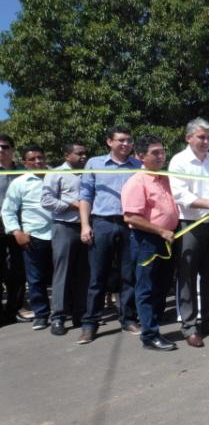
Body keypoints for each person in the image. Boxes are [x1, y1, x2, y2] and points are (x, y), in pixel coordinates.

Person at [77, 126, 142, 344]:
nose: (126, 144)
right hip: (102, 223)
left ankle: (128, 319)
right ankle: (90, 324)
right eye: (121, 140)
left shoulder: (138, 166)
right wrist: (85, 225)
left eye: (129, 140)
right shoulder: (94, 164)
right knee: (97, 277)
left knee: (128, 276)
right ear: (109, 142)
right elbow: (85, 196)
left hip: (129, 225)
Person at [169, 117, 209, 348]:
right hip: (189, 225)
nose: (206, 142)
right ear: (188, 137)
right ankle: (190, 326)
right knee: (188, 277)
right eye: (201, 137)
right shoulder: (179, 161)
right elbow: (181, 196)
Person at [122, 134, 180, 351]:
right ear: (139, 156)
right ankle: (149, 335)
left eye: (162, 151)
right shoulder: (137, 181)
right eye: (155, 153)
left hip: (167, 238)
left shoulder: (164, 178)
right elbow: (131, 217)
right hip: (147, 240)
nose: (161, 156)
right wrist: (161, 230)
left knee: (162, 286)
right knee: (146, 288)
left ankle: (153, 324)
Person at [1, 145, 53, 331]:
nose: (38, 161)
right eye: (33, 159)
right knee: (35, 278)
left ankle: (65, 311)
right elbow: (8, 211)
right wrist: (17, 232)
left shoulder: (56, 176)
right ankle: (41, 314)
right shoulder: (20, 183)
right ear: (25, 163)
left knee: (62, 275)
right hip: (34, 236)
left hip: (59, 235)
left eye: (40, 157)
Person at [41, 143, 89, 335]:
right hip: (65, 227)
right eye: (79, 154)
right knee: (63, 272)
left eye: (85, 153)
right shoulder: (56, 173)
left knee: (84, 272)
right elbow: (46, 201)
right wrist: (72, 205)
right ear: (67, 155)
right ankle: (58, 317)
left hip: (86, 227)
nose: (83, 156)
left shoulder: (89, 172)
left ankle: (80, 314)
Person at [0, 134, 27, 325]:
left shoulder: (23, 171)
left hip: (19, 226)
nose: (1, 150)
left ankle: (15, 308)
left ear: (12, 149)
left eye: (5, 146)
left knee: (18, 270)